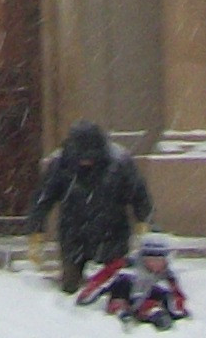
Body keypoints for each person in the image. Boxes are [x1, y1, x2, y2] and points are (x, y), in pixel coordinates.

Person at [28, 118, 155, 294]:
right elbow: (42, 199)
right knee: (70, 286)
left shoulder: (119, 162)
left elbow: (138, 193)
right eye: (81, 157)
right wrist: (36, 232)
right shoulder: (60, 164)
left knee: (116, 284)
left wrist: (144, 221)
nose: (86, 161)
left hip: (113, 232)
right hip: (74, 233)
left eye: (90, 157)